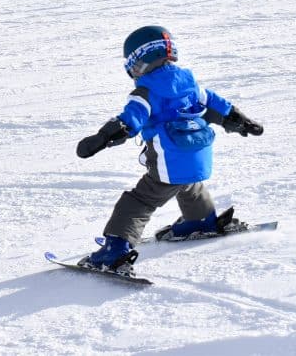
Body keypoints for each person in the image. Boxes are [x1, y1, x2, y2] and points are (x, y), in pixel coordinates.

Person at [76, 25, 264, 274]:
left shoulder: (145, 91)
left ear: (141, 61)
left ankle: (115, 250)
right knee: (189, 186)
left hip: (169, 158)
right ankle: (201, 221)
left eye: (132, 65)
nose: (132, 72)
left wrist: (102, 138)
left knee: (138, 201)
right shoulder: (189, 82)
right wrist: (241, 121)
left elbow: (130, 120)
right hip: (198, 156)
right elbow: (217, 106)